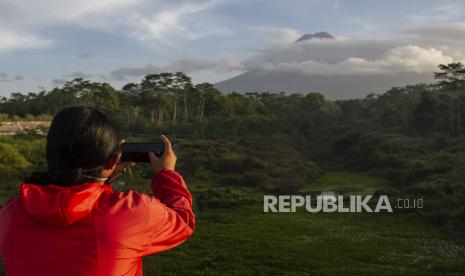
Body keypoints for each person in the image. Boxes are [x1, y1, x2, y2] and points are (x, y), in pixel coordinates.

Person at [0, 106, 195, 276]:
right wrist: (167, 174)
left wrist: (102, 179)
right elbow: (182, 220)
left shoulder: (11, 213)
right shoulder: (130, 213)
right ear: (113, 160)